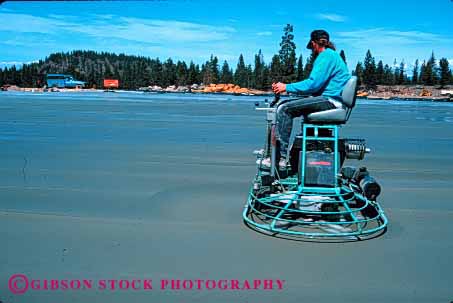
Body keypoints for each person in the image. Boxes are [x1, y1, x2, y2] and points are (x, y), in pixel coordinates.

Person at [263, 29, 351, 169]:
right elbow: (317, 86)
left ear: (314, 44)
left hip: (331, 101)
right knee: (285, 104)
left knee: (284, 109)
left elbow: (313, 84)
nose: (312, 51)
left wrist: (286, 87)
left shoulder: (325, 56)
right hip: (331, 99)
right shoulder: (332, 55)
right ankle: (279, 154)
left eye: (311, 47)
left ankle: (280, 158)